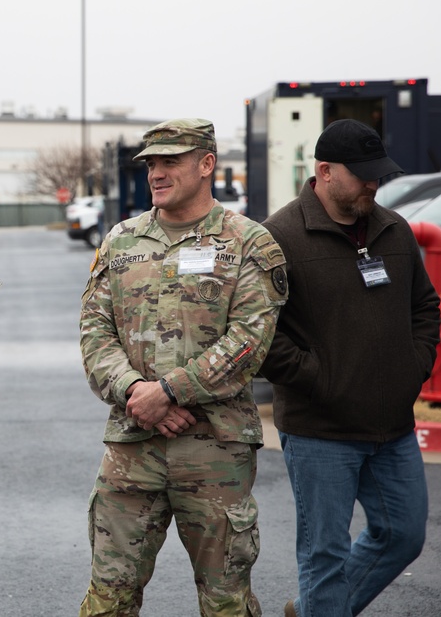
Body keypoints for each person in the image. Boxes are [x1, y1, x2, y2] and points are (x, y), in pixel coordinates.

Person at [78, 118, 288, 616]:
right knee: (109, 597)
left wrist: (170, 391)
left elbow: (250, 343)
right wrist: (137, 393)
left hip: (214, 448)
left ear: (206, 165)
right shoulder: (122, 240)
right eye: (151, 163)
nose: (157, 172)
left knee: (225, 602)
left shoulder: (248, 244)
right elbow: (94, 333)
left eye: (170, 161)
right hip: (133, 445)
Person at [258, 119, 441, 617]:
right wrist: (321, 379)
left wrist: (415, 365)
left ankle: (317, 609)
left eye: (377, 174)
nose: (372, 184)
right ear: (324, 171)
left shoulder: (393, 228)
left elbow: (424, 307)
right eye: (362, 175)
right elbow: (261, 335)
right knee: (325, 555)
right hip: (322, 430)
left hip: (392, 427)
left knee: (402, 535)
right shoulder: (279, 237)